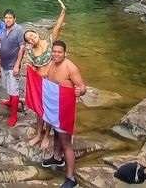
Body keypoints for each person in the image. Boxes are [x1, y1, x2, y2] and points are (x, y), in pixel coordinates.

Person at [40, 40, 86, 188]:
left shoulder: (70, 67)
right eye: (54, 51)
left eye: (59, 52)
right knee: (56, 135)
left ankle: (71, 178)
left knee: (66, 143)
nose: (56, 54)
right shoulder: (52, 63)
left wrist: (80, 91)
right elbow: (45, 75)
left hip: (65, 108)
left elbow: (82, 86)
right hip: (54, 105)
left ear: (65, 53)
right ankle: (56, 158)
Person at [24, 0, 68, 148]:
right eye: (28, 38)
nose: (31, 37)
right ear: (29, 42)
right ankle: (38, 133)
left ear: (36, 34)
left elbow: (57, 27)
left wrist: (63, 11)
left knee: (50, 109)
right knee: (39, 109)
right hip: (40, 83)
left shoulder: (49, 41)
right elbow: (32, 69)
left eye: (32, 35)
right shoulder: (30, 52)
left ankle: (47, 135)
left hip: (53, 81)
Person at [0, 9, 26, 127]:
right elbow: (2, 42)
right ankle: (10, 102)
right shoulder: (3, 28)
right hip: (4, 63)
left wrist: (17, 65)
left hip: (13, 65)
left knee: (14, 90)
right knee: (8, 86)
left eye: (10, 18)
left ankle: (14, 116)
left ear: (15, 19)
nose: (7, 20)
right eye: (6, 18)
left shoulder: (19, 30)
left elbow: (22, 48)